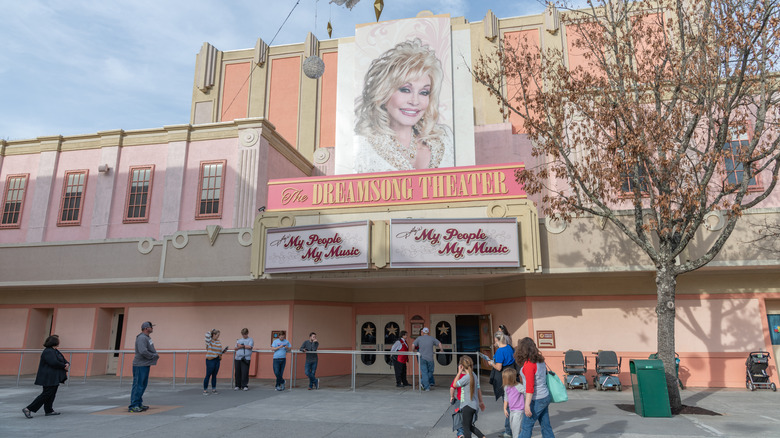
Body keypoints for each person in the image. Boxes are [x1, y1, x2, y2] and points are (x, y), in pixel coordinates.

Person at [354, 38, 454, 173]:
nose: (415, 101)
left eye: (424, 92)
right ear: (383, 93)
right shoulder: (363, 145)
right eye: (405, 90)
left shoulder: (445, 137)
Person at [516, 337, 555, 438]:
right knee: (546, 426)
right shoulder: (540, 361)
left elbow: (530, 387)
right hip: (544, 396)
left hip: (536, 399)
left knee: (526, 426)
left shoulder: (530, 364)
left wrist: (527, 405)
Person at [22, 335, 69, 418]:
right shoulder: (48, 351)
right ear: (54, 342)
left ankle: (49, 410)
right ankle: (28, 408)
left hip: (54, 377)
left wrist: (67, 364)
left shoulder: (55, 351)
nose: (59, 342)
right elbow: (53, 362)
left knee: (52, 394)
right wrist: (63, 366)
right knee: (46, 394)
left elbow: (64, 360)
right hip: (48, 377)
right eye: (58, 340)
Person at [488, 329, 516, 438]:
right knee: (512, 403)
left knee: (507, 404)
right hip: (512, 375)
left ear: (497, 339)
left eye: (495, 340)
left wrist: (491, 363)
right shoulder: (510, 348)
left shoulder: (500, 351)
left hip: (504, 377)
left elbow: (498, 367)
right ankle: (511, 428)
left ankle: (508, 431)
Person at [450, 356, 486, 438]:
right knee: (469, 426)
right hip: (473, 405)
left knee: (466, 427)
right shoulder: (473, 375)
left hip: (467, 406)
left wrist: (459, 372)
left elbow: (454, 385)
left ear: (461, 366)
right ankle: (483, 437)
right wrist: (481, 402)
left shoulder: (466, 377)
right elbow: (478, 389)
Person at [129, 321, 159, 413]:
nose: (152, 328)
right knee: (138, 385)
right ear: (146, 328)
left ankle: (139, 403)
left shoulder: (146, 337)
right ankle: (133, 405)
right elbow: (143, 351)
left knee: (142, 385)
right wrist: (153, 356)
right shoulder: (142, 338)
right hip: (140, 365)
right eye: (151, 327)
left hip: (145, 364)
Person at [413, 327, 441, 391]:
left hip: (422, 357)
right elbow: (439, 343)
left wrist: (413, 351)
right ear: (428, 332)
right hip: (430, 358)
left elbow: (413, 345)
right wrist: (441, 350)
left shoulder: (419, 338)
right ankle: (425, 385)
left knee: (424, 372)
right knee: (430, 371)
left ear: (422, 332)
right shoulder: (431, 338)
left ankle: (424, 384)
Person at [203, 329, 228, 395]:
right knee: (208, 375)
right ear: (213, 335)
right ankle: (205, 390)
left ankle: (214, 389)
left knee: (214, 375)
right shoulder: (209, 341)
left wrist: (223, 352)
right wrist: (212, 331)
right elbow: (207, 334)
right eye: (217, 335)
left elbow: (219, 351)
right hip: (210, 359)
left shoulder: (218, 341)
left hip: (217, 359)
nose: (218, 336)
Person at [503, 367, 526, 438]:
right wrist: (504, 409)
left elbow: (527, 393)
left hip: (519, 411)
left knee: (516, 430)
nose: (503, 380)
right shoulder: (506, 387)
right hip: (511, 410)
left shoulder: (519, 386)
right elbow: (506, 398)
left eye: (504, 378)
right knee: (513, 428)